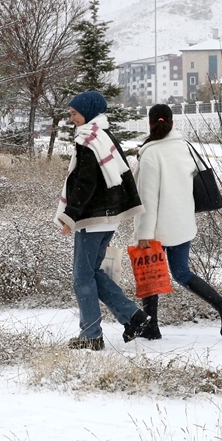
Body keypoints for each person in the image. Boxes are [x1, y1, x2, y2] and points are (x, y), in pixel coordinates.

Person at [133, 104, 222, 339]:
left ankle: (151, 327)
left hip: (157, 227)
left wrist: (144, 233)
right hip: (181, 223)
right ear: (172, 123)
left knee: (151, 274)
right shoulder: (185, 147)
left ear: (149, 123)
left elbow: (148, 198)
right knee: (181, 272)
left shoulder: (150, 153)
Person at [55, 91, 150, 351]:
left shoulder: (89, 140)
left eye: (75, 112)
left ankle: (91, 335)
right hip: (108, 218)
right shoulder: (104, 136)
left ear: (88, 110)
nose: (71, 117)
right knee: (93, 273)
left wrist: (70, 216)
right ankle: (134, 317)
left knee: (81, 277)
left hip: (94, 219)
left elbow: (85, 184)